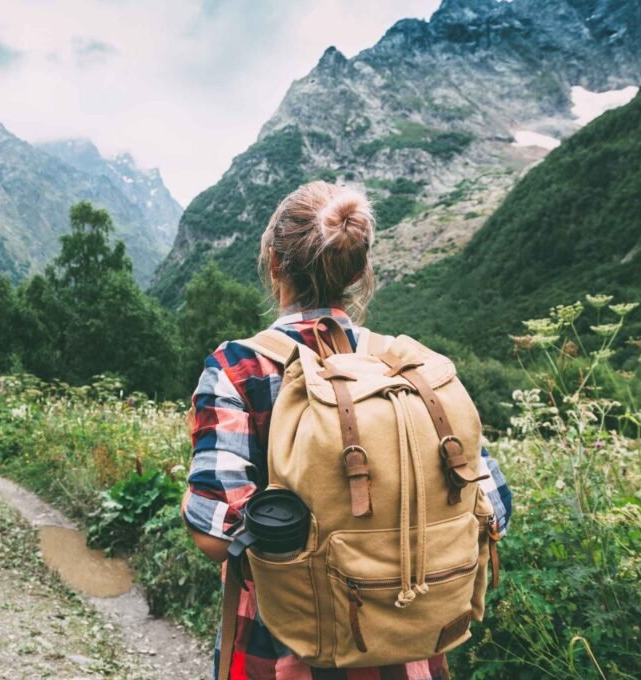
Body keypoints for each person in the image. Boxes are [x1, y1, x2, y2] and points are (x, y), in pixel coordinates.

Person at [181, 181, 512, 680]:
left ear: (274, 263)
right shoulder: (409, 370)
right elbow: (495, 510)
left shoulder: (240, 368)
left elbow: (212, 533)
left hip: (283, 652)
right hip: (410, 652)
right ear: (359, 272)